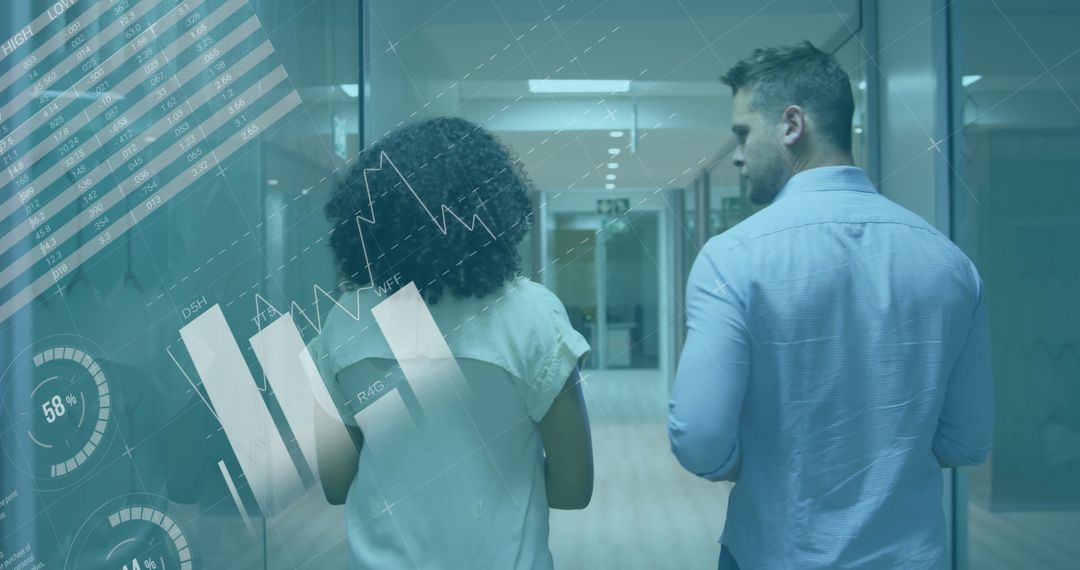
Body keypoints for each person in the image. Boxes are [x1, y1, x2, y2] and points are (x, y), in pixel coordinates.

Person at [668, 42, 993, 569]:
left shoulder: (733, 258)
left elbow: (701, 441)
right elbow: (967, 442)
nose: (738, 155)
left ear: (792, 124)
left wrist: (769, 465)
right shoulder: (950, 263)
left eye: (744, 132)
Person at [309, 117, 593, 569]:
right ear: (491, 205)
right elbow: (574, 489)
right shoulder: (532, 317)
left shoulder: (347, 319)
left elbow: (336, 483)